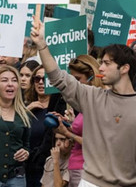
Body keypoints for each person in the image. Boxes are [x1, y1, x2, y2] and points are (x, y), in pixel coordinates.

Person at [31, 20, 136, 186]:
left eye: (107, 63)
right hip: (89, 182)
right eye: (101, 63)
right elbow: (58, 77)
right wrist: (42, 45)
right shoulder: (93, 97)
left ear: (125, 68)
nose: (100, 68)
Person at [52, 55, 104, 187]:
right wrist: (67, 124)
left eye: (78, 79)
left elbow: (93, 142)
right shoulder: (85, 104)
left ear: (91, 76)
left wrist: (68, 134)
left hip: (87, 168)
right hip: (76, 166)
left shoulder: (99, 103)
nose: (75, 83)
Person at [24, 65, 66, 187]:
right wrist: (26, 110)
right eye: (37, 79)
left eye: (45, 79)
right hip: (25, 166)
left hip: (46, 166)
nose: (41, 82)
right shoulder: (25, 106)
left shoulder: (58, 109)